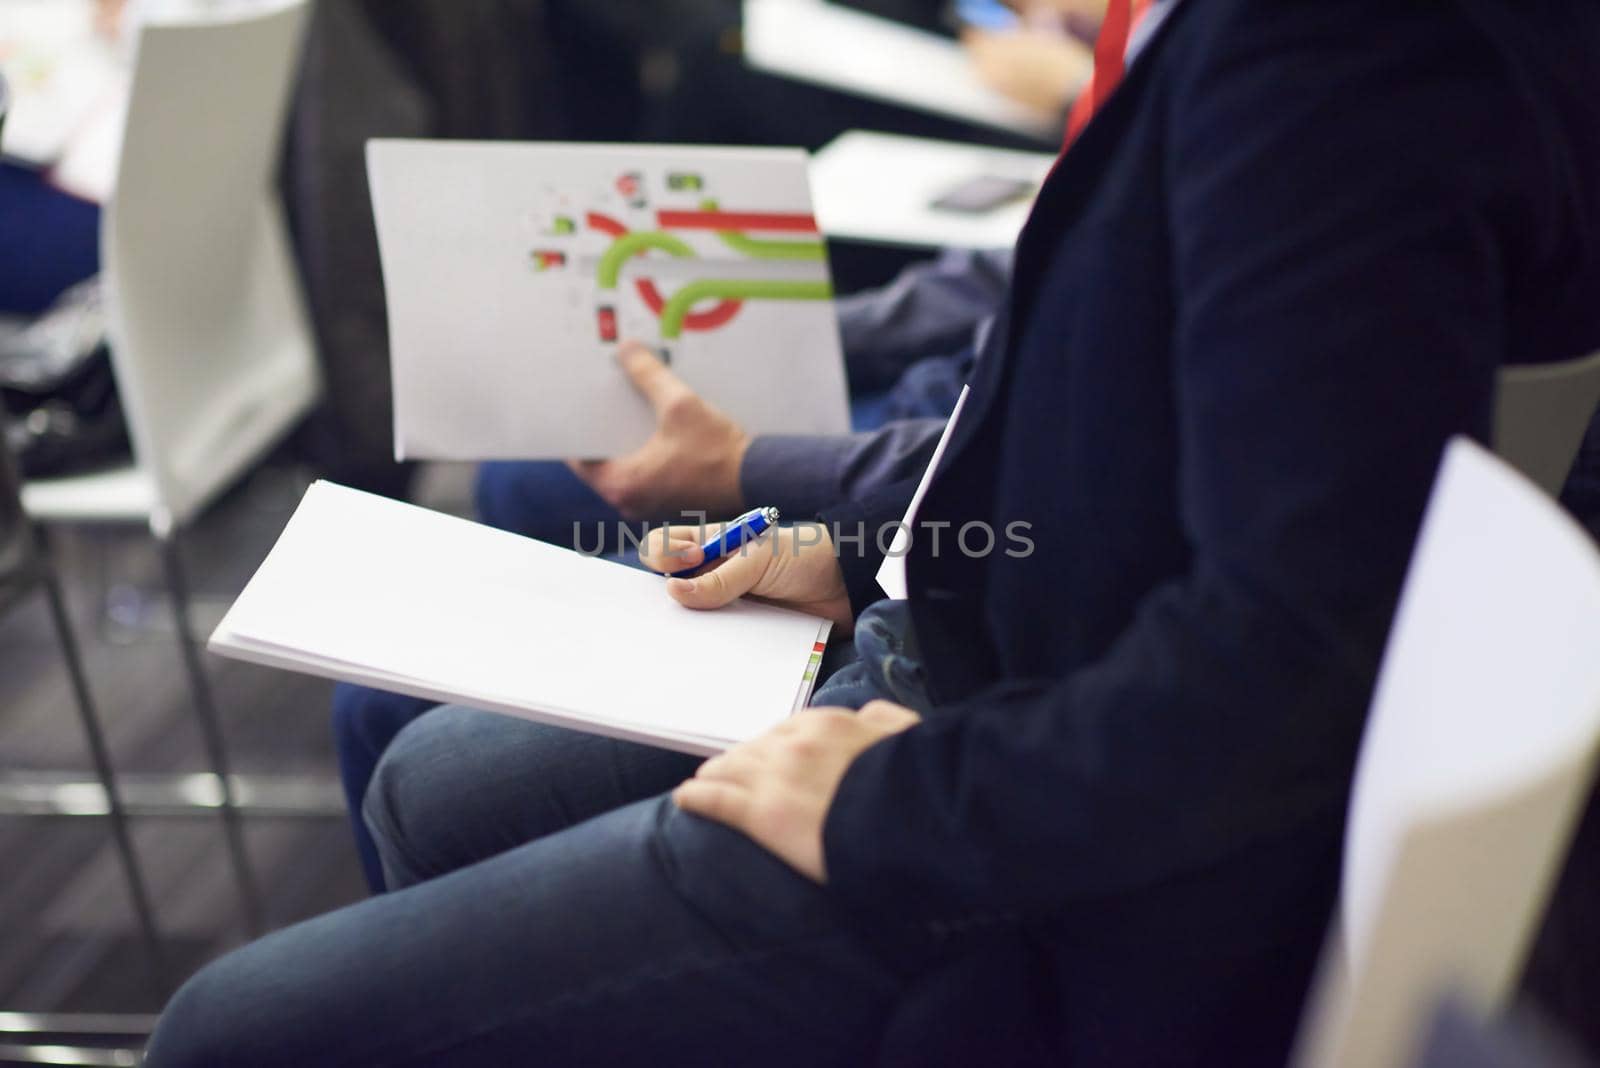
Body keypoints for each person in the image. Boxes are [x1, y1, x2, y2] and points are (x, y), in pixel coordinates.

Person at [145, 0, 1600, 1064]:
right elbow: (1115, 433)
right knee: (427, 781)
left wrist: (890, 805)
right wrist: (862, 552)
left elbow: (1284, 655)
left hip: (1030, 815)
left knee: (228, 1029)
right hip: (975, 645)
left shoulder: (1334, 60)